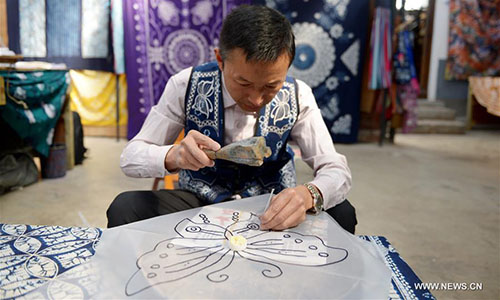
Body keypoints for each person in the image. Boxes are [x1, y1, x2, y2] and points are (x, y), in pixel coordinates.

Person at [107, 5, 357, 233]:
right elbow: (130, 157)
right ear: (220, 59)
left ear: (288, 67)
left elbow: (336, 169)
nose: (257, 100)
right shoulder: (185, 85)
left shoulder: (298, 94)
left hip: (271, 205)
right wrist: (174, 156)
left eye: (271, 85)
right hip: (200, 202)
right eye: (243, 82)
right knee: (126, 207)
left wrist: (308, 194)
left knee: (342, 213)